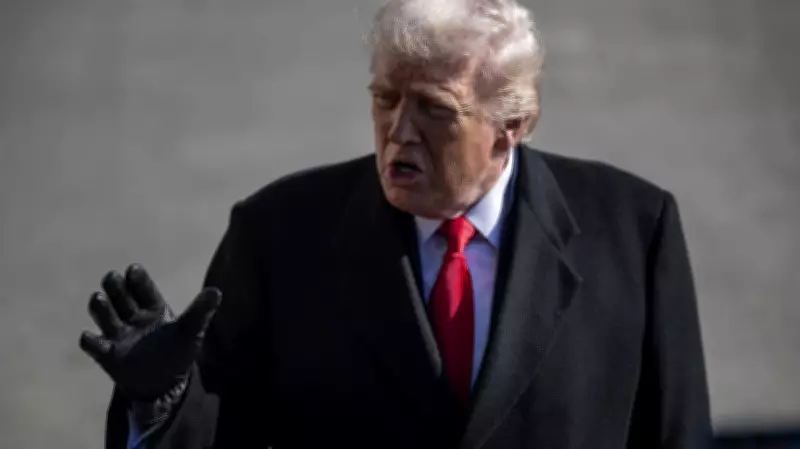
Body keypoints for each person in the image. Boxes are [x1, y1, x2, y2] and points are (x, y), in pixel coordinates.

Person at [79, 0, 712, 447]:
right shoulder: (277, 234)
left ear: (511, 126)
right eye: (385, 99)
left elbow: (676, 434)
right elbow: (225, 431)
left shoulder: (635, 231)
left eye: (435, 110)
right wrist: (162, 402)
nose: (398, 132)